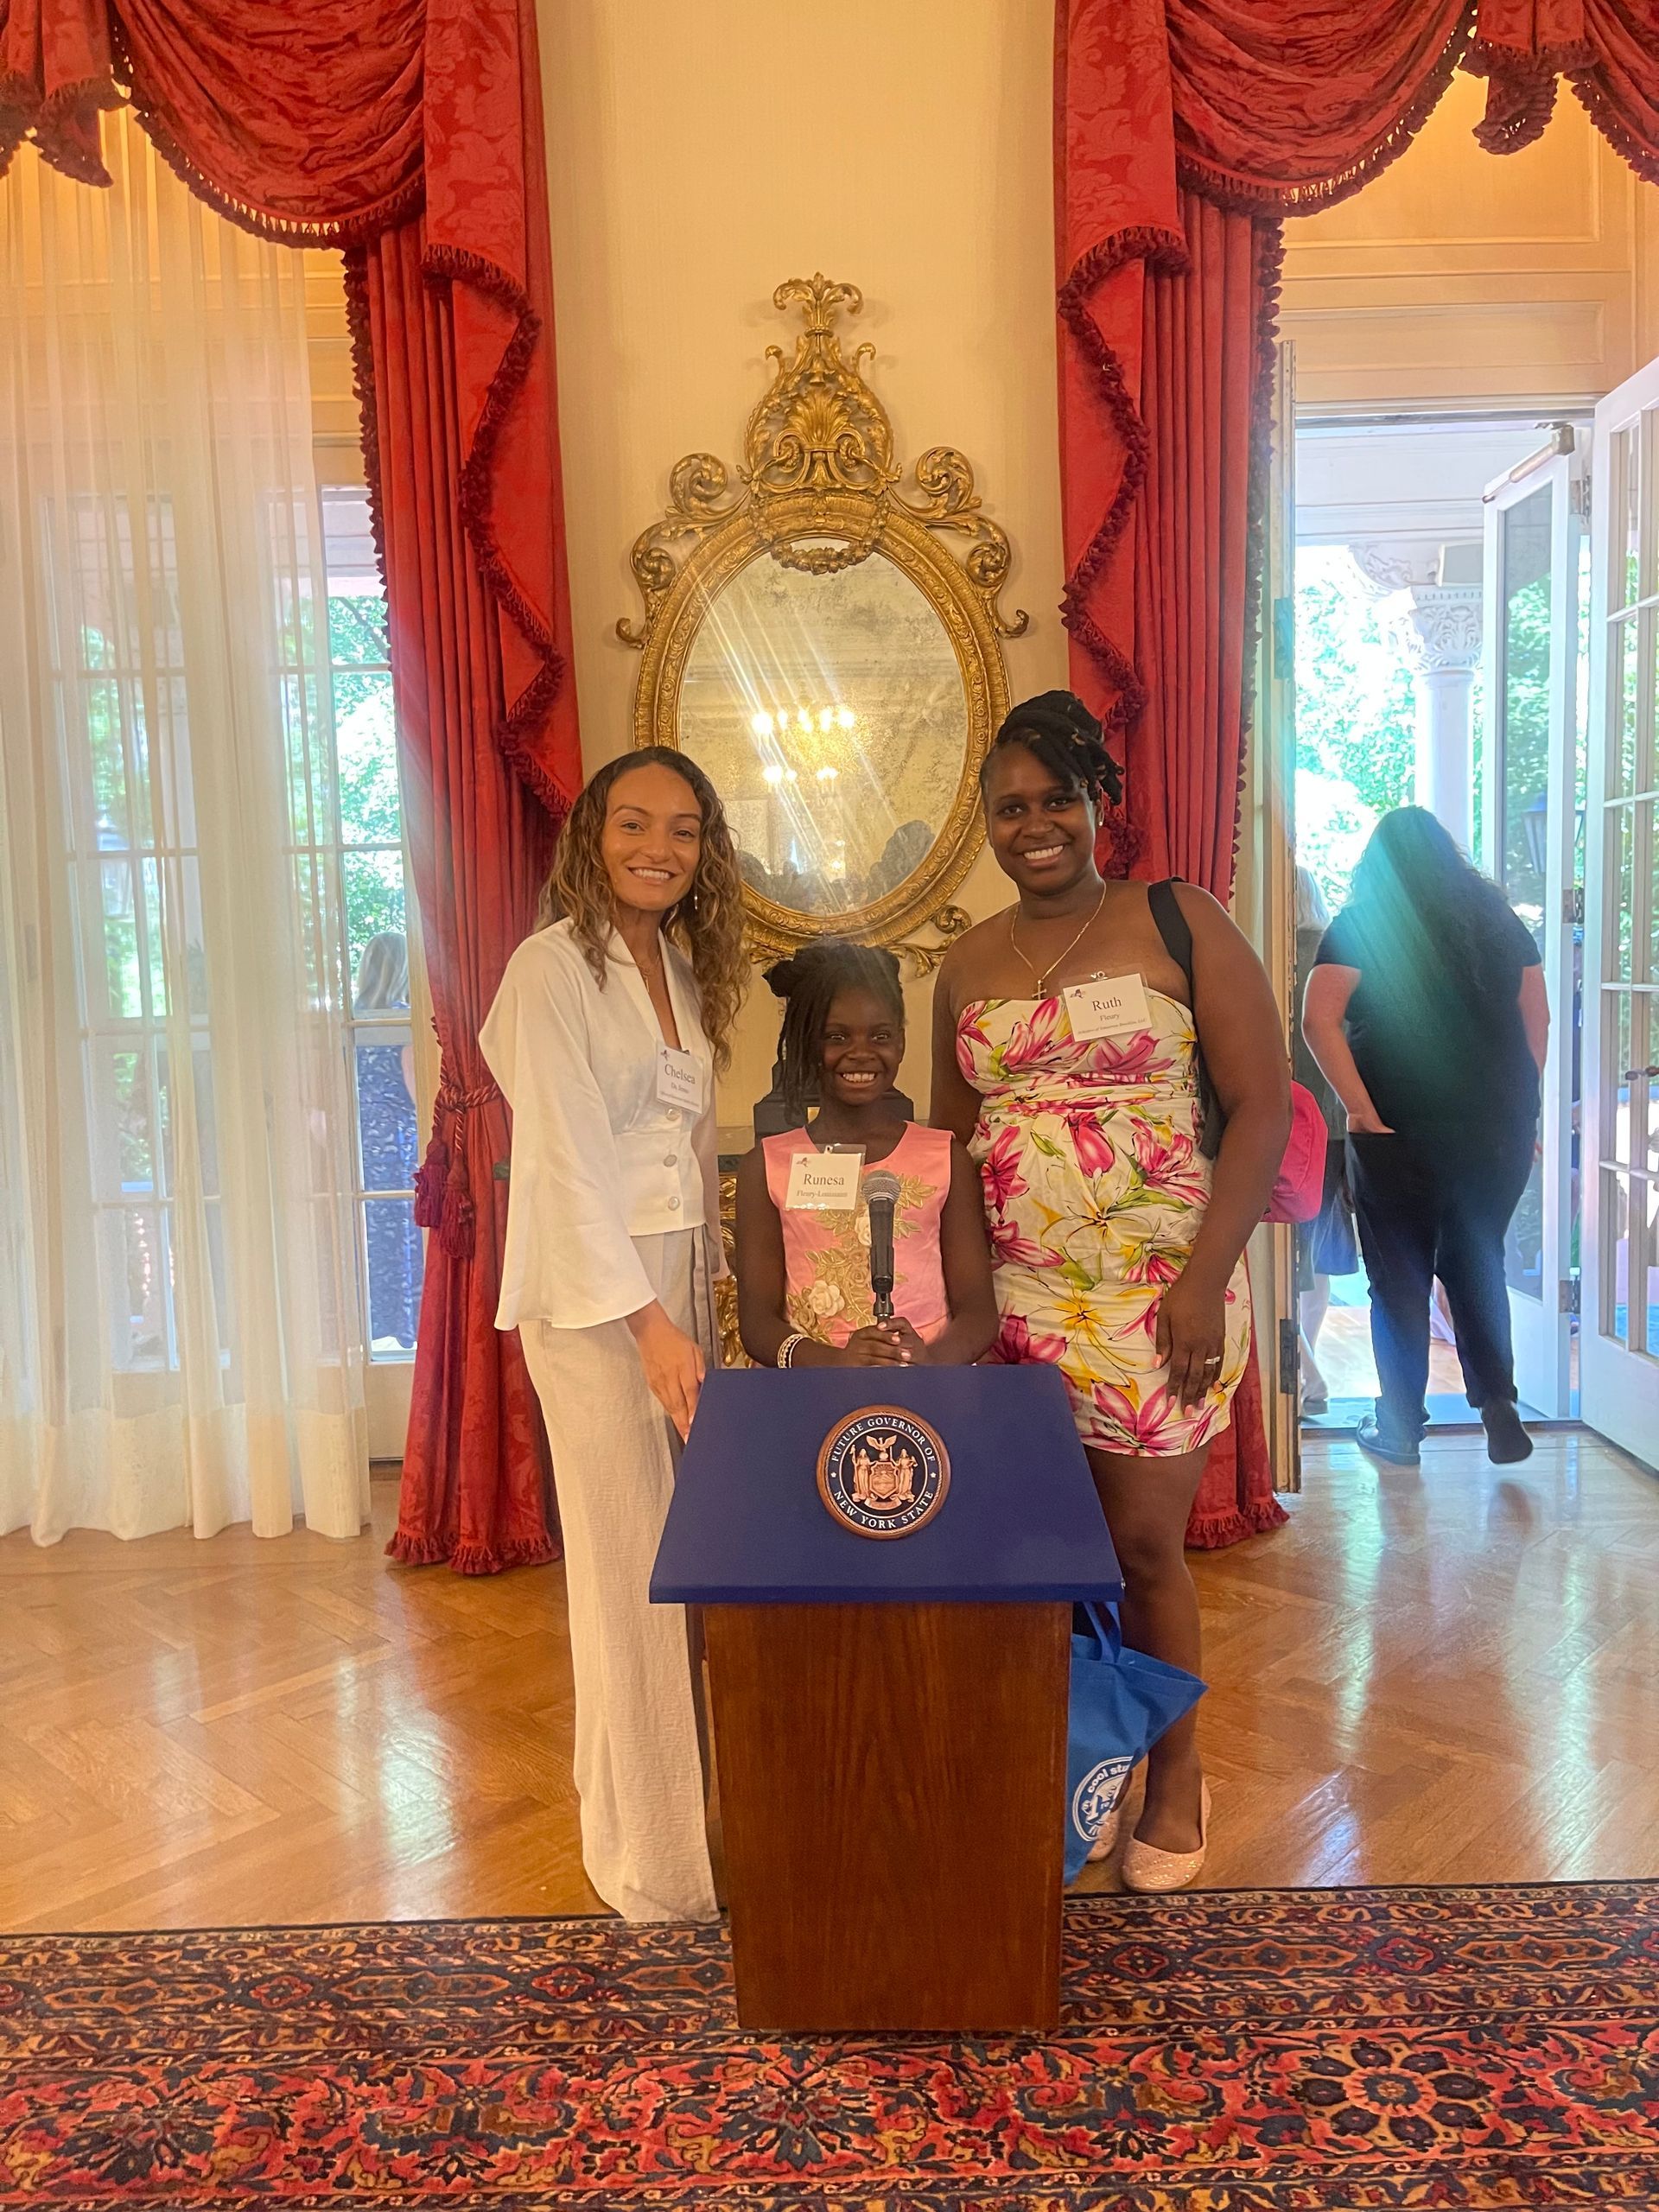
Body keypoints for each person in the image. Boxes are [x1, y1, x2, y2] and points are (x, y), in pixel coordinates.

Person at [930, 691, 1290, 1891]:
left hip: (1158, 1299)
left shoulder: (1176, 919)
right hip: (1016, 1306)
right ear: (986, 823)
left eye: (1056, 802)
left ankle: (1177, 1778)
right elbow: (945, 1146)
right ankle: (1065, 1769)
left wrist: (1204, 1281)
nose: (1035, 826)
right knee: (1038, 1554)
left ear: (1100, 807)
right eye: (1010, 808)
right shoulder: (965, 961)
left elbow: (1262, 1109)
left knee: (1142, 1547)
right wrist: (954, 1319)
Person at [478, 745, 747, 1923]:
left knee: (672, 1564)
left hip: (670, 1283)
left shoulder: (676, 968)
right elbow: (569, 1167)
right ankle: (655, 1872)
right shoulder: (551, 971)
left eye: (684, 829)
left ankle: (645, 1815)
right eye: (634, 823)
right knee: (632, 1568)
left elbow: (683, 1145)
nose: (659, 847)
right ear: (591, 836)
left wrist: (707, 1298)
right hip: (598, 1303)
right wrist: (648, 1327)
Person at [1301, 807, 1549, 1470]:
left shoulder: (1363, 923)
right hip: (1493, 1131)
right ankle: (1498, 1403)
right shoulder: (1498, 922)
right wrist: (1521, 1112)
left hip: (1397, 1128)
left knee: (1398, 1278)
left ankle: (1401, 1426)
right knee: (1478, 1259)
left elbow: (1316, 1020)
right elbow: (1537, 1020)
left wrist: (1359, 1109)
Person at [734, 938, 997, 1369]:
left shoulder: (944, 1156)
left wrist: (931, 1360)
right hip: (816, 1389)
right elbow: (758, 1325)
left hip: (927, 1383)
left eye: (880, 1035)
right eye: (836, 1037)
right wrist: (831, 1362)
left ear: (900, 1042)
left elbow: (979, 1313)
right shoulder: (766, 1166)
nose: (861, 1052)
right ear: (806, 1044)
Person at [1291, 868, 1357, 1413]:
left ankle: (1305, 1371)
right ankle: (1307, 1367)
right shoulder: (1336, 953)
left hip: (1287, 1121)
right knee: (1318, 1255)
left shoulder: (1263, 952)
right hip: (1335, 1121)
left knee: (1284, 1255)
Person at [353, 930, 423, 1351]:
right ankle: (405, 1327)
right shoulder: (403, 1020)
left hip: (360, 1143)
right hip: (397, 1146)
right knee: (402, 1236)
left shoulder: (353, 1016)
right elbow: (419, 1092)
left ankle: (371, 1322)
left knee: (369, 1239)